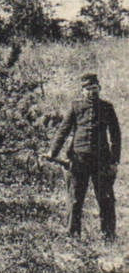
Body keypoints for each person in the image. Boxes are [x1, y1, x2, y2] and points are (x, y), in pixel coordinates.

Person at [49, 72, 119, 242]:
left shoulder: (107, 107)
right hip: (78, 160)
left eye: (94, 88)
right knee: (75, 199)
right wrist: (53, 152)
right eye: (87, 89)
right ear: (82, 91)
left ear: (99, 88)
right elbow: (63, 131)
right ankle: (73, 237)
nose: (91, 92)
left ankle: (109, 236)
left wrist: (114, 161)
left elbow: (115, 134)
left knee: (105, 199)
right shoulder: (75, 107)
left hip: (101, 161)